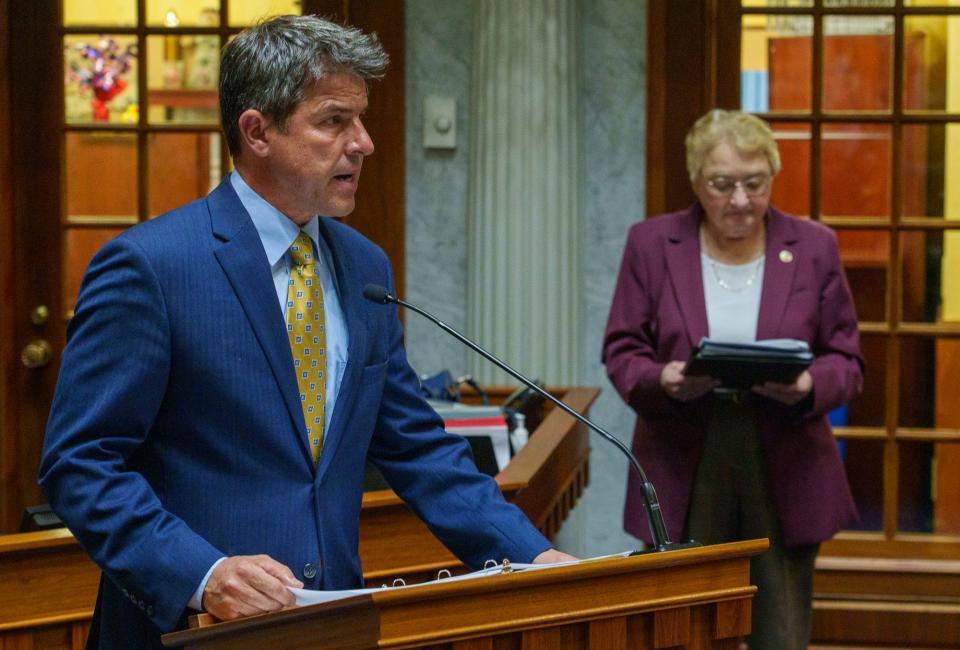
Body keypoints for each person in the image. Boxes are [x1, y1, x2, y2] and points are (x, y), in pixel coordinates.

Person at [39, 15, 573, 648]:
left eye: (362, 118)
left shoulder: (364, 266)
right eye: (333, 121)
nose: (364, 143)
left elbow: (416, 446)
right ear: (257, 132)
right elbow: (80, 464)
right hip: (192, 629)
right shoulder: (153, 266)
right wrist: (202, 573)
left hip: (330, 624)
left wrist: (531, 557)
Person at [602, 109, 862, 649]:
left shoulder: (813, 247)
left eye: (754, 183)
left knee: (781, 630)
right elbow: (622, 350)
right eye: (722, 185)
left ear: (772, 176)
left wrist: (810, 385)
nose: (740, 200)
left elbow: (847, 360)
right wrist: (664, 377)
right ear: (697, 181)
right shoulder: (652, 244)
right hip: (683, 451)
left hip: (785, 453)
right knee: (684, 627)